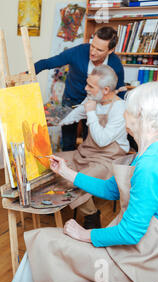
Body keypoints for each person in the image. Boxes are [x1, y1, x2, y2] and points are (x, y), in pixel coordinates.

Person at [11, 81, 158, 282]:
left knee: (42, 240)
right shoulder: (152, 151)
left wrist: (85, 234)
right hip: (141, 248)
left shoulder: (152, 164)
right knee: (47, 242)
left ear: (141, 114)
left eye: (128, 110)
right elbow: (111, 189)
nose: (124, 114)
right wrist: (66, 172)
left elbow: (131, 233)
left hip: (143, 260)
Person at [56, 64, 129, 229]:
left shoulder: (120, 108)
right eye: (87, 83)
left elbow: (102, 140)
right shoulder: (92, 99)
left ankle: (91, 217)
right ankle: (89, 210)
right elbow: (74, 115)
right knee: (52, 163)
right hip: (85, 153)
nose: (85, 88)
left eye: (90, 86)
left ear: (106, 90)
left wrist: (90, 112)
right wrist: (51, 122)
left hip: (108, 159)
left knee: (76, 181)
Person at [35, 26, 125, 151]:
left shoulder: (116, 65)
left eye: (99, 50)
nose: (93, 52)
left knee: (90, 142)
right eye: (92, 46)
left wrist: (117, 114)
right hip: (71, 98)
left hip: (95, 104)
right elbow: (47, 63)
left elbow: (119, 91)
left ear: (110, 51)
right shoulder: (78, 52)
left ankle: (82, 167)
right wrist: (28, 73)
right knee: (68, 142)